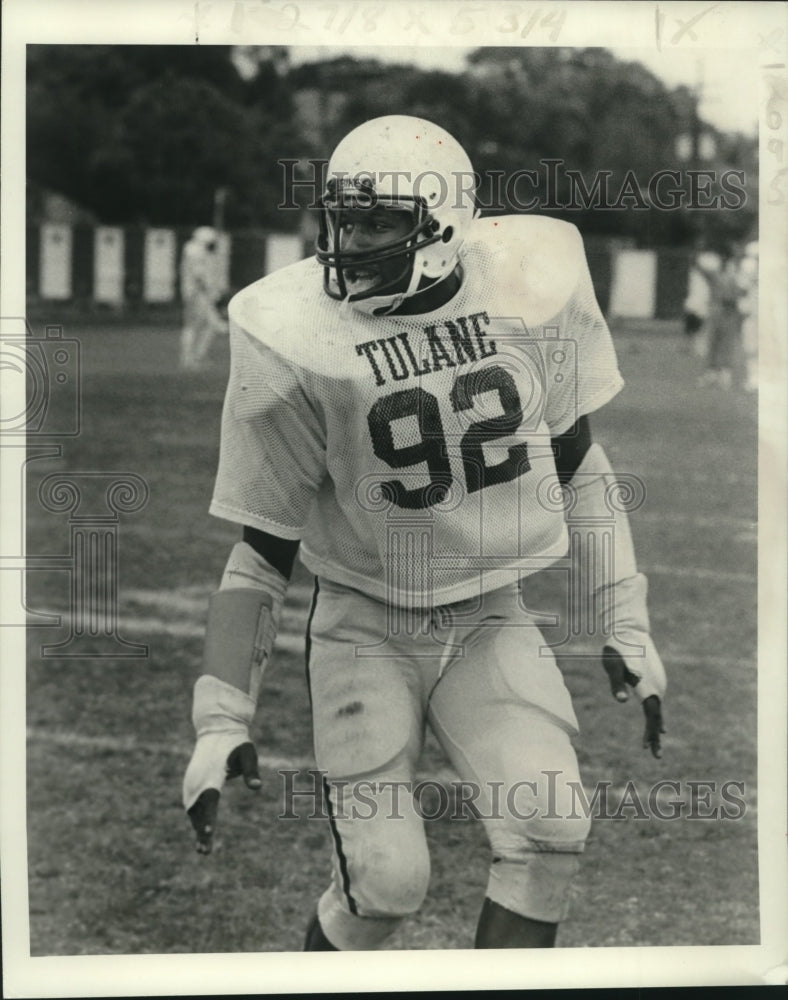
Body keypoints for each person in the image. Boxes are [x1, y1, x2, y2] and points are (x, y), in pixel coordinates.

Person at [182, 116, 666, 951]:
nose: (352, 241)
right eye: (345, 217)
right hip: (364, 626)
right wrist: (220, 718)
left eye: (381, 222)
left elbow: (581, 463)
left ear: (442, 230)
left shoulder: (524, 293)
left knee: (551, 828)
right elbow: (263, 552)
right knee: (386, 883)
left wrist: (627, 623)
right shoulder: (299, 336)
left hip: (488, 617)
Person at [179, 225, 227, 370]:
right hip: (197, 294)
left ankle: (195, 357)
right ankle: (190, 358)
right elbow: (199, 276)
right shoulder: (195, 252)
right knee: (199, 325)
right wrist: (209, 293)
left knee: (202, 326)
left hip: (195, 293)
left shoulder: (192, 250)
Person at [697, 245, 745, 390]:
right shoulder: (715, 275)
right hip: (717, 310)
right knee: (713, 342)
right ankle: (712, 373)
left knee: (726, 343)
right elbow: (702, 269)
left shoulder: (735, 276)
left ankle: (724, 374)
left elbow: (741, 292)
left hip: (730, 311)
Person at [683, 251, 717, 359]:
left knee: (702, 329)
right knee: (692, 329)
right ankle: (694, 349)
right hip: (693, 303)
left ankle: (701, 350)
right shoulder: (693, 274)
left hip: (702, 304)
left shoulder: (710, 278)